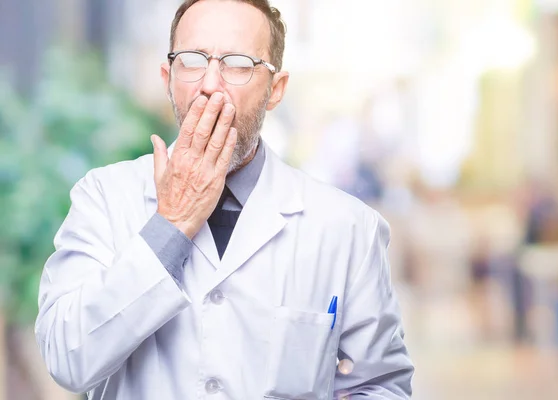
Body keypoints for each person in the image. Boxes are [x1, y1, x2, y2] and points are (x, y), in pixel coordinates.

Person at [34, 1, 414, 399]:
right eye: (192, 61)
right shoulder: (104, 199)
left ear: (275, 89)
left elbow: (379, 385)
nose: (210, 85)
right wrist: (172, 224)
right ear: (168, 78)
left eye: (237, 63)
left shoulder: (347, 227)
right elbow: (67, 358)